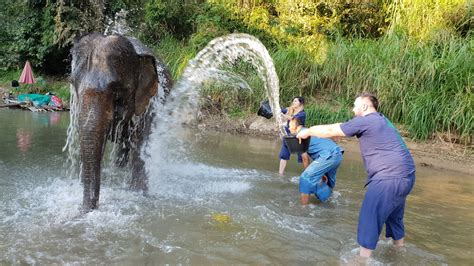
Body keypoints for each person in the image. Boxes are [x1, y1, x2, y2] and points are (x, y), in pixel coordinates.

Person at [296, 92, 416, 258]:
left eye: (355, 105)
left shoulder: (367, 120)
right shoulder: (382, 120)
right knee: (394, 216)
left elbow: (333, 129)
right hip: (407, 176)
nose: (353, 109)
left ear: (365, 106)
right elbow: (341, 127)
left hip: (387, 177)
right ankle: (398, 251)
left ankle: (362, 260)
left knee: (369, 217)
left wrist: (307, 131)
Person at [288, 118, 343, 205]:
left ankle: (303, 208)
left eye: (290, 126)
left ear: (297, 127)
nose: (289, 129)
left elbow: (305, 158)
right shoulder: (309, 131)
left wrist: (309, 173)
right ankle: (330, 201)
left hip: (328, 155)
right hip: (338, 154)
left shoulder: (300, 136)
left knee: (305, 178)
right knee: (328, 180)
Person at [279, 96, 306, 175]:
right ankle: (280, 174)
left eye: (295, 101)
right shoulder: (290, 109)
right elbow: (280, 110)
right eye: (293, 101)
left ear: (300, 103)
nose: (293, 102)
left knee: (302, 157)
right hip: (288, 135)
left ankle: (310, 173)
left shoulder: (302, 114)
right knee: (284, 154)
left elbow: (292, 119)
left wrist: (283, 115)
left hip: (297, 136)